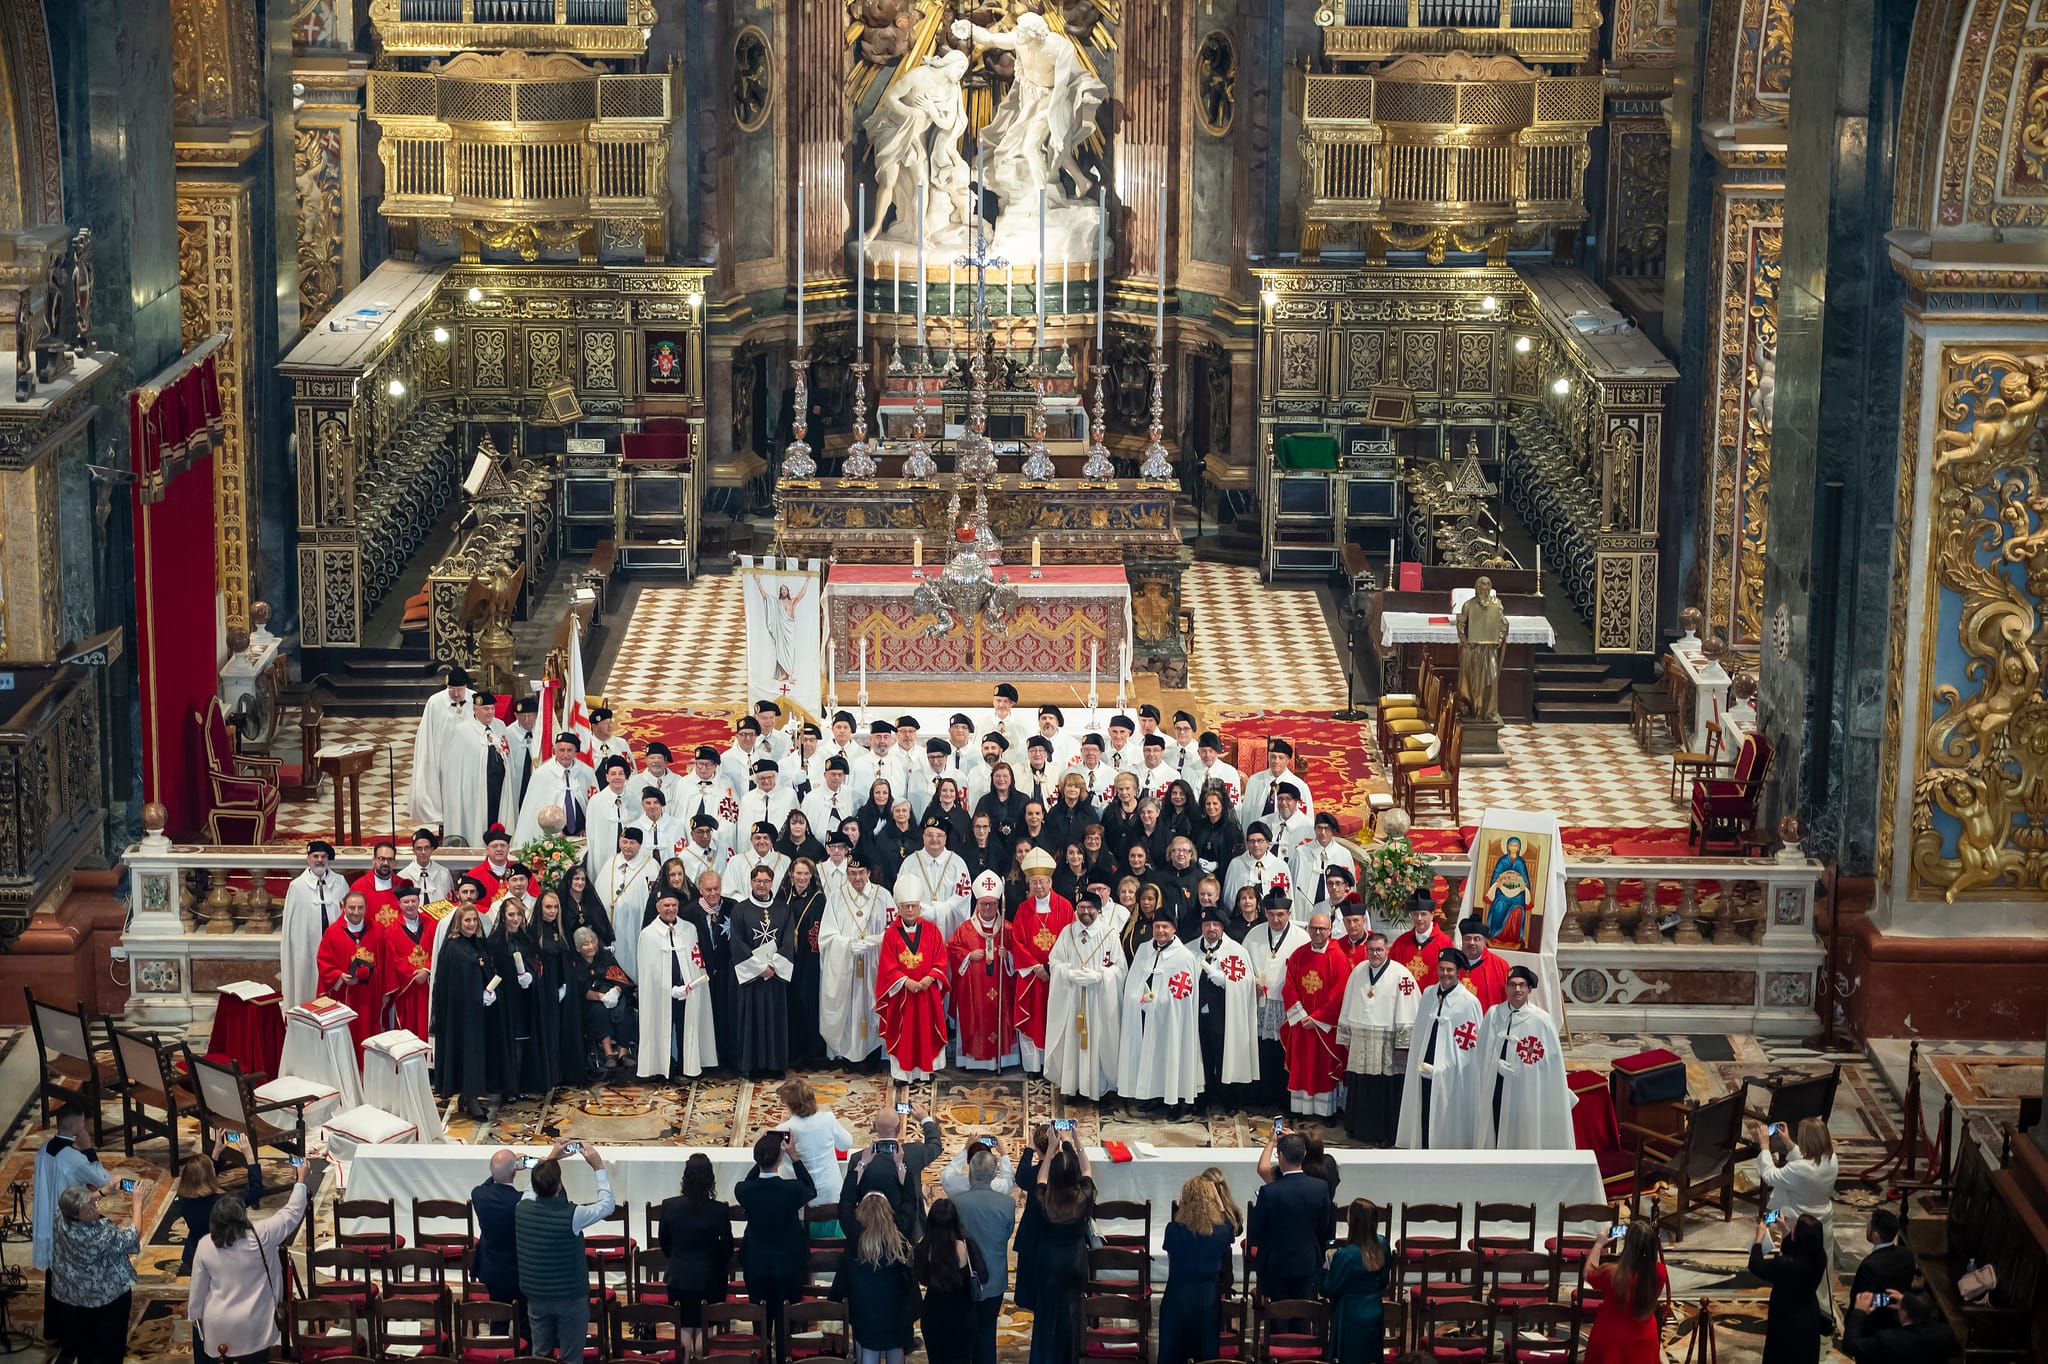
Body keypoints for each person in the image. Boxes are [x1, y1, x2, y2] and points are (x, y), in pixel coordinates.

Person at [187, 1158, 312, 1364]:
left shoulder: (205, 1245)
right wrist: (301, 1179)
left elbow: (198, 1289)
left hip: (219, 1323)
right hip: (254, 1323)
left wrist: (195, 1317)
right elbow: (292, 1212)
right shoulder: (261, 1234)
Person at [515, 1143, 615, 1360]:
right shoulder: (573, 1215)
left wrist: (551, 1158)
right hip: (570, 1298)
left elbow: (533, 1187)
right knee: (571, 1357)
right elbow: (607, 1205)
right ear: (560, 1187)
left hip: (536, 1295)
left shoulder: (521, 1208)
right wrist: (598, 1166)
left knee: (540, 1354)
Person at [1471, 963, 1574, 1148]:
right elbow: (1481, 1052)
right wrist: (1495, 1063)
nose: (1517, 989)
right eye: (1512, 984)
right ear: (1506, 987)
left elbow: (1550, 1062)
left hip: (1526, 1089)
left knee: (1522, 1132)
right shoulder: (1494, 1014)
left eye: (1521, 985)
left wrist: (1522, 1070)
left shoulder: (1541, 1020)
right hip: (1496, 1086)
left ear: (1529, 989)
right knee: (1495, 1125)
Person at [736, 1129, 817, 1360]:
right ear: (780, 1159)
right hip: (787, 1264)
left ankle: (762, 1358)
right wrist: (794, 1156)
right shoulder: (791, 1190)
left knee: (760, 1320)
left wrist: (763, 1152)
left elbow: (752, 1179)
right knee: (784, 1318)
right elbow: (810, 1188)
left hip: (756, 1264)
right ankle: (783, 1357)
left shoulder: (744, 1190)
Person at [48, 1179, 144, 1364]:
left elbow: (78, 1204)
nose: (95, 1207)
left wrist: (103, 1191)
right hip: (106, 1295)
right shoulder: (97, 1235)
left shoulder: (60, 1216)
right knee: (110, 1346)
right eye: (90, 1208)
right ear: (78, 1215)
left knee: (85, 1340)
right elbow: (133, 1236)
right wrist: (138, 1202)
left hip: (75, 1292)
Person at [1754, 1117, 1841, 1322]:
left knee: (1796, 1271)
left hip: (1799, 1223)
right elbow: (1805, 1160)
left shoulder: (1800, 1169)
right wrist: (1789, 1144)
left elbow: (1770, 1174)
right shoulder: (1831, 1158)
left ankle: (1801, 1314)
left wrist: (1765, 1146)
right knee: (1821, 1272)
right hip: (1823, 1222)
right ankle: (1823, 1315)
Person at [1116, 914, 1205, 1115]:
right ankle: (1152, 1095)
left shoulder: (1184, 957)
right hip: (1145, 1015)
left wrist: (1160, 1002)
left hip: (1172, 1019)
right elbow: (1134, 980)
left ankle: (1175, 1100)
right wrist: (1138, 998)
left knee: (1171, 1054)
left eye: (1165, 927)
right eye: (1157, 927)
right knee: (1149, 1055)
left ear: (1174, 929)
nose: (1161, 931)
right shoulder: (1144, 949)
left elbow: (1184, 992)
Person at [1337, 931, 1420, 1146]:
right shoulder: (1358, 972)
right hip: (1361, 1039)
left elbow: (1409, 1010)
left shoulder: (1402, 975)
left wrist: (1403, 1045)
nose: (1375, 953)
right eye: (1371, 950)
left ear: (1387, 950)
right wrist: (1346, 1035)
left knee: (1385, 1088)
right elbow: (1348, 1002)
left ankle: (1385, 1134)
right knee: (1360, 1084)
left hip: (1387, 1041)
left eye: (1379, 949)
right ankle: (1356, 1128)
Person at [1395, 950, 1484, 1149]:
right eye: (1442, 969)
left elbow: (1470, 1048)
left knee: (1445, 1113)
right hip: (1424, 1066)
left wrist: (1446, 1067)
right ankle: (1423, 1145)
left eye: (1450, 970)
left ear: (1459, 972)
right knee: (1424, 1109)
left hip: (1451, 1073)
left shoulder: (1469, 1002)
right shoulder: (1428, 994)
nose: (1445, 973)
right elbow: (1420, 1033)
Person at [33, 1103, 110, 1328]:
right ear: (77, 1126)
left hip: (48, 1217)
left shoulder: (44, 1148)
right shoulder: (73, 1159)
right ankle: (75, 1331)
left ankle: (54, 1328)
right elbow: (103, 1180)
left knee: (54, 1275)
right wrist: (88, 1150)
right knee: (71, 1277)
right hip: (68, 1222)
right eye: (83, 1122)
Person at [432, 903, 508, 1119]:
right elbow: (453, 986)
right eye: (467, 920)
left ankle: (470, 1096)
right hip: (462, 1015)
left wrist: (490, 990)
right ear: (458, 923)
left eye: (475, 920)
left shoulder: (478, 943)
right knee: (468, 1055)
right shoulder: (453, 948)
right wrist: (477, 994)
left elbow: (486, 968)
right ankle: (471, 1099)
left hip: (480, 1011)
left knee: (480, 1053)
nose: (472, 924)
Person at [1026, 1128, 1095, 1364]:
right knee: (1071, 1314)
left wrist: (1050, 1152)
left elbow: (1040, 1179)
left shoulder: (1044, 1200)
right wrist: (1075, 1141)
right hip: (1074, 1262)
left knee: (1046, 1314)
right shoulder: (1083, 1198)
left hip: (1049, 1262)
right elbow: (1087, 1170)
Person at [656, 1154, 735, 1361]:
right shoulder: (719, 1210)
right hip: (710, 1278)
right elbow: (727, 1245)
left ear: (685, 1177)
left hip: (679, 1276)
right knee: (705, 1329)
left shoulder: (669, 1206)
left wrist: (676, 1258)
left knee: (683, 1328)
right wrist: (718, 1264)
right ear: (710, 1178)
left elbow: (663, 1240)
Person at [1246, 1132, 1335, 1306]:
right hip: (1307, 1262)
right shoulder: (1320, 1188)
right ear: (1303, 1155)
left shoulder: (1269, 1192)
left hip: (1275, 1266)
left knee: (1277, 1319)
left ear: (1280, 1156)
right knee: (1304, 1313)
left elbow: (1255, 1233)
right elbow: (1324, 1227)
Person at [875, 878, 951, 1080]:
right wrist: (906, 982)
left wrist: (928, 979)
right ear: (899, 908)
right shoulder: (891, 934)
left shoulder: (932, 930)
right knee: (904, 1034)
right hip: (902, 995)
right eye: (906, 906)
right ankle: (902, 1075)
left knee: (927, 1031)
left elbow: (941, 960)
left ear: (919, 907)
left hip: (927, 993)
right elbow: (886, 966)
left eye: (914, 906)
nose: (910, 910)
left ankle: (928, 1071)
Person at [635, 888, 715, 1079]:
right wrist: (667, 989)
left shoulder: (689, 929)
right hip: (660, 993)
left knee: (685, 1026)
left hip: (686, 991)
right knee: (660, 1026)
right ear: (658, 907)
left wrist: (690, 984)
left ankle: (686, 1066)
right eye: (666, 905)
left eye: (674, 905)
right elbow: (648, 971)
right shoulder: (648, 935)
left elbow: (697, 961)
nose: (670, 909)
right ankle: (663, 1067)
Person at [1280, 910, 1353, 1118]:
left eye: (1322, 928)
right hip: (1301, 1024)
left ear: (1330, 931)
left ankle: (1325, 1112)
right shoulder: (1299, 954)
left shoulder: (1338, 958)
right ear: (1308, 929)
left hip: (1323, 1027)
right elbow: (1289, 985)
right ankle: (1301, 1109)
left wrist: (1318, 1018)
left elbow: (1340, 993)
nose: (1318, 932)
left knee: (1322, 1068)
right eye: (1314, 928)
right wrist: (1301, 1014)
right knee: (1302, 1066)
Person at [1158, 1175, 1235, 1364]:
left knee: (1171, 1354)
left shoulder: (1173, 1230)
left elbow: (1171, 1259)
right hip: (1207, 1298)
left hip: (1177, 1296)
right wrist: (1217, 1198)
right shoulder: (1221, 1232)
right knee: (1207, 1354)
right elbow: (1230, 1226)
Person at [950, 1147, 1017, 1364]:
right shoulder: (1007, 1203)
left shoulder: (956, 1203)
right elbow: (1007, 1234)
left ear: (970, 1173)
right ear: (995, 1174)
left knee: (964, 1331)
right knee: (987, 1332)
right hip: (994, 1277)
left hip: (963, 1277)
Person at [1007, 849, 1072, 1071]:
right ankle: (1034, 1066)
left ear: (1050, 881)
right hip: (1032, 976)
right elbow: (1017, 940)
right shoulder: (1024, 909)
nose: (1038, 887)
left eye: (1042, 882)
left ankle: (1054, 1065)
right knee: (1032, 1018)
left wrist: (1050, 967)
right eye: (1034, 882)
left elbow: (1069, 940)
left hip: (1056, 975)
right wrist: (1035, 966)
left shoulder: (1065, 906)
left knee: (1054, 1018)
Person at [820, 851, 888, 1062]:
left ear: (869, 873)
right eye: (852, 873)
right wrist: (848, 944)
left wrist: (873, 942)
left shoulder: (883, 896)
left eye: (861, 873)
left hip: (874, 963)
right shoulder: (836, 896)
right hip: (845, 963)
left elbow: (893, 932)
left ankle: (873, 1055)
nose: (857, 878)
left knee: (872, 1005)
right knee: (848, 1008)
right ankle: (846, 1054)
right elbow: (827, 935)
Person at [837, 1191, 919, 1364]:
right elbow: (909, 1206)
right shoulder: (899, 1240)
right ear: (889, 1213)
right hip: (895, 1313)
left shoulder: (856, 1243)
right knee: (896, 1348)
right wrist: (904, 1177)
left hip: (865, 1312)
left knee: (868, 1350)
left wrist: (857, 1171)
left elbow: (845, 1207)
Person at [839, 1103, 945, 1238]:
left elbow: (848, 1198)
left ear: (874, 1126)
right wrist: (925, 1119)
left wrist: (862, 1164)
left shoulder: (857, 1160)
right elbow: (935, 1146)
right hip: (907, 1232)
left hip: (866, 1231)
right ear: (899, 1128)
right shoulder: (913, 1154)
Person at [731, 863, 796, 1077]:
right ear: (751, 882)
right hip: (753, 978)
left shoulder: (783, 908)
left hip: (775, 976)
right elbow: (738, 943)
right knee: (753, 1022)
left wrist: (774, 966)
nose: (762, 885)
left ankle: (775, 1066)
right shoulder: (740, 909)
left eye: (766, 881)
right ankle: (753, 1067)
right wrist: (759, 968)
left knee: (775, 1020)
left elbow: (788, 940)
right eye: (758, 881)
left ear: (772, 883)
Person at [949, 870, 1019, 1070]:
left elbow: (1020, 956)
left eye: (992, 904)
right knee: (976, 1016)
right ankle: (972, 1061)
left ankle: (1003, 1060)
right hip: (974, 991)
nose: (988, 908)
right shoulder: (965, 929)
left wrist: (1009, 957)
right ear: (976, 904)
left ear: (998, 904)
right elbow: (952, 949)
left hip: (1001, 989)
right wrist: (969, 956)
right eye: (983, 904)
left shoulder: (1008, 929)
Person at [1245, 890, 1308, 1107]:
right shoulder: (1253, 935)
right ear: (1265, 913)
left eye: (1280, 914)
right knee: (1262, 1051)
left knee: (1285, 1052)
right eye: (1271, 914)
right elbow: (1244, 966)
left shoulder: (1302, 937)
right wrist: (1252, 981)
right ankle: (1262, 1098)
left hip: (1287, 1004)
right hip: (1260, 1003)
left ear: (1289, 913)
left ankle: (1285, 1100)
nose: (1276, 919)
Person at [1192, 905, 1259, 1110]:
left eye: (1216, 925)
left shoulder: (1236, 951)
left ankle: (1227, 1096)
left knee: (1223, 1054)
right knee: (1201, 1055)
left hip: (1224, 1015)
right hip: (1196, 1016)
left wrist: (1227, 981)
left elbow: (1248, 982)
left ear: (1222, 928)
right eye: (1207, 924)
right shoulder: (1189, 950)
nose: (1211, 928)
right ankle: (1202, 1096)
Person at [914, 1198, 989, 1364]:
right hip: (964, 1316)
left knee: (936, 1359)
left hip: (934, 1315)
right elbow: (984, 1276)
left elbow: (919, 1277)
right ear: (955, 1220)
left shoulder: (923, 1247)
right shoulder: (968, 1246)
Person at [1749, 1213, 1830, 1364]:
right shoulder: (1819, 1256)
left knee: (1781, 1355)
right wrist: (1783, 1228)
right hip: (1809, 1316)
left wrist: (1759, 1238)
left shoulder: (1785, 1265)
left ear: (1798, 1235)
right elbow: (1796, 1248)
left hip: (1786, 1318)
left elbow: (1756, 1265)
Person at [1583, 1218, 1665, 1364]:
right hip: (1646, 1335)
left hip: (1613, 1336)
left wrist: (1598, 1244)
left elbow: (1588, 1272)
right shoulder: (1660, 1272)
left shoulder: (1613, 1274)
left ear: (1628, 1247)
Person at [314, 888, 386, 1056]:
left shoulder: (377, 929)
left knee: (369, 1032)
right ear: (343, 907)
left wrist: (385, 991)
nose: (356, 912)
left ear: (366, 908)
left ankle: (368, 1070)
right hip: (345, 996)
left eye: (360, 908)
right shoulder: (332, 932)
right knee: (348, 1034)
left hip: (371, 996)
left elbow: (386, 960)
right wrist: (340, 976)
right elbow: (323, 961)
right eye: (351, 908)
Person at [779, 1078, 855, 1233]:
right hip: (830, 1193)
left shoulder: (785, 1128)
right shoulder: (827, 1119)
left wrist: (780, 1124)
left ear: (790, 1106)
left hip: (800, 1197)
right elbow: (846, 1144)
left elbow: (777, 1159)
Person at [488, 897, 544, 1099]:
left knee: (522, 1040)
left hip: (524, 997)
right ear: (503, 916)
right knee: (506, 1041)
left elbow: (535, 964)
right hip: (504, 998)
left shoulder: (527, 939)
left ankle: (521, 1083)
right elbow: (490, 969)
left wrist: (530, 976)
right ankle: (507, 1086)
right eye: (511, 914)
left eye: (519, 914)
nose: (515, 919)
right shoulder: (494, 942)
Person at [1323, 1200, 1392, 1364]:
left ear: (1351, 1222)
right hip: (1374, 1310)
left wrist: (1322, 1272)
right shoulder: (1382, 1244)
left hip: (1351, 1315)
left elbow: (1329, 1288)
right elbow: (1383, 1280)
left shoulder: (1345, 1256)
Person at [778, 856, 831, 1067]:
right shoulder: (782, 899)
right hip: (787, 959)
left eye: (805, 874)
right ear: (791, 874)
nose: (801, 877)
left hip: (810, 960)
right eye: (798, 873)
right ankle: (792, 1053)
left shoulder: (819, 900)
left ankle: (813, 1055)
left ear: (812, 876)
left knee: (809, 1004)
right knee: (790, 1005)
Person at [280, 839, 342, 1006]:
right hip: (306, 950)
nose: (320, 860)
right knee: (307, 987)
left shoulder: (340, 882)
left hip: (335, 949)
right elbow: (292, 926)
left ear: (328, 859)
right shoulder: (297, 887)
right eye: (315, 856)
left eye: (323, 856)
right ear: (308, 859)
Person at [171, 1141, 243, 1275]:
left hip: (193, 1254)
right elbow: (257, 1191)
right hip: (218, 1256)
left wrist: (215, 1153)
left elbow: (203, 1178)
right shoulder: (222, 1202)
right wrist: (250, 1159)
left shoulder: (183, 1198)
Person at [571, 926, 633, 1073]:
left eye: (593, 942)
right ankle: (609, 1053)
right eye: (586, 944)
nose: (591, 946)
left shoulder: (605, 956)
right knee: (599, 1012)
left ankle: (623, 1053)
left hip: (613, 993)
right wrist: (601, 997)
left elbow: (621, 978)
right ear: (578, 948)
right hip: (592, 1000)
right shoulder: (575, 964)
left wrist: (616, 991)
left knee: (625, 1009)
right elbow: (580, 990)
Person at [471, 1148, 527, 1310]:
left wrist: (504, 1168)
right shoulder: (521, 1201)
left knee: (498, 1318)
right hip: (519, 1270)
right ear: (514, 1173)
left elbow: (487, 1184)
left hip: (491, 1269)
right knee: (524, 1320)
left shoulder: (479, 1195)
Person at [1843, 1290, 1955, 1363]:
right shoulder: (1945, 1333)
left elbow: (1850, 1345)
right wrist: (1911, 1301)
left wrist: (1859, 1312)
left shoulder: (1888, 1340)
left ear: (1904, 1313)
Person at [1847, 1208, 1914, 1316]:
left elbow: (1862, 1300)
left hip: (1876, 1321)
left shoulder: (1869, 1267)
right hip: (1901, 1314)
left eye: (1868, 1226)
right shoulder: (1907, 1254)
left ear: (1875, 1235)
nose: (1866, 1229)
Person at [1389, 894, 1453, 976]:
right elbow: (1391, 971)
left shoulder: (1445, 943)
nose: (1419, 918)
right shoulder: (1401, 942)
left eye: (1423, 914)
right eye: (1415, 914)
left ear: (1432, 915)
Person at [1456, 917, 1510, 1012]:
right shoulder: (1452, 963)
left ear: (1484, 941)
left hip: (1487, 1023)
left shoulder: (1501, 966)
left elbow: (1508, 1000)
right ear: (1462, 940)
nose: (1472, 943)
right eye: (1467, 939)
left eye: (1477, 939)